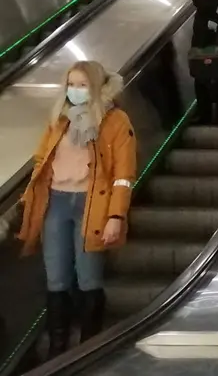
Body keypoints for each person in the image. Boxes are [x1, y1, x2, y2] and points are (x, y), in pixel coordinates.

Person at [16, 61, 136, 357]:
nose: (75, 91)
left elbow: (124, 174)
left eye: (82, 85)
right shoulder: (60, 118)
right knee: (56, 279)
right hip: (55, 202)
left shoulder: (115, 121)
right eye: (71, 84)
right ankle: (58, 350)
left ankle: (89, 347)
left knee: (88, 278)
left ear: (96, 87)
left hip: (91, 204)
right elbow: (41, 159)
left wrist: (116, 216)